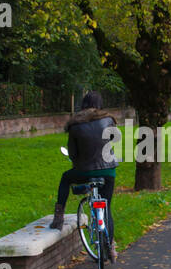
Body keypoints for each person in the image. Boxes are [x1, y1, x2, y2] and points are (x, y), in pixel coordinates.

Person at [50, 90, 119, 259]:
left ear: (83, 105)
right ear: (100, 104)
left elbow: (73, 153)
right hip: (108, 170)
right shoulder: (109, 120)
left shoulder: (75, 125)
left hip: (84, 171)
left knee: (66, 178)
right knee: (107, 206)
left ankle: (58, 217)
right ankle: (110, 247)